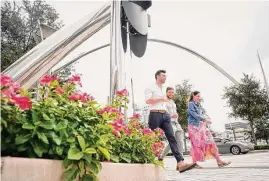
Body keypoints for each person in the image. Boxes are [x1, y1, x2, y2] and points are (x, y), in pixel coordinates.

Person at [145, 70, 196, 173]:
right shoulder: (150, 87)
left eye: (165, 76)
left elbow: (171, 96)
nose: (165, 77)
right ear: (157, 76)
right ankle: (149, 159)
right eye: (163, 76)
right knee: (152, 138)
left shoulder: (166, 87)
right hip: (155, 114)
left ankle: (180, 163)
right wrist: (161, 99)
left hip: (166, 115)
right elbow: (148, 101)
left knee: (172, 138)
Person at [187, 91, 231, 168]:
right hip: (193, 127)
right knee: (196, 145)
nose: (199, 98)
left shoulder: (199, 105)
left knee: (211, 142)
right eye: (197, 96)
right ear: (193, 96)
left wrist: (207, 119)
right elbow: (193, 114)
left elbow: (202, 114)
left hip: (202, 126)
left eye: (199, 96)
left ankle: (219, 161)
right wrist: (204, 119)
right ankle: (194, 164)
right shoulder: (191, 104)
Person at [159, 87, 184, 160]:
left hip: (176, 123)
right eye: (169, 92)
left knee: (180, 141)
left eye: (172, 92)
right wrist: (171, 116)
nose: (171, 94)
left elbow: (174, 112)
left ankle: (181, 158)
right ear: (166, 92)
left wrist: (176, 115)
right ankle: (162, 156)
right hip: (169, 123)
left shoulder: (173, 102)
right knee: (172, 141)